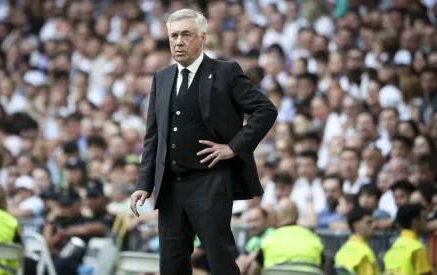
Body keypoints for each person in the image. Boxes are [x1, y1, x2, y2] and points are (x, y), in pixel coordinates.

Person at [130, 9, 277, 275]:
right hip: (170, 186)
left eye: (186, 34)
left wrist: (233, 147)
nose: (178, 41)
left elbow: (265, 110)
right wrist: (144, 183)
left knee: (220, 261)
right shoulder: (161, 77)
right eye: (173, 35)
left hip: (210, 181)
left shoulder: (225, 72)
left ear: (202, 37)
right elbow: (153, 135)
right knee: (171, 266)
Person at [246, 199, 324, 273]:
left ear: (277, 216)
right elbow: (323, 269)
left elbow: (254, 270)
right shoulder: (314, 240)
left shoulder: (268, 241)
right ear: (297, 215)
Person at [384, 203, 433, 275]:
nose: (427, 222)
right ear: (415, 221)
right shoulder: (418, 249)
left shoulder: (393, 247)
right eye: (424, 218)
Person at [335, 208, 380, 274]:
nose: (374, 225)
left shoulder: (342, 250)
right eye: (369, 222)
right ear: (356, 225)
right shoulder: (364, 253)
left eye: (374, 221)